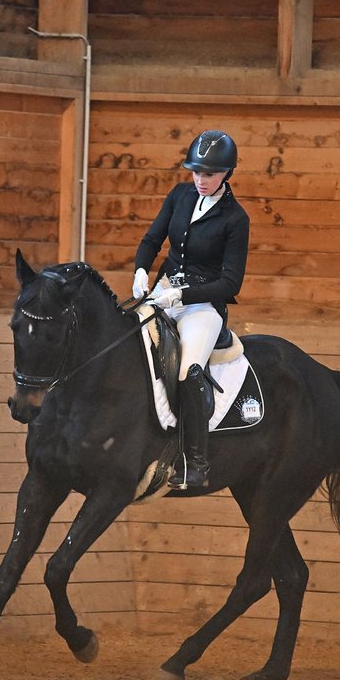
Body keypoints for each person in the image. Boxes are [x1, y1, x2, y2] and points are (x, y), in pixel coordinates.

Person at [132, 129, 250, 489]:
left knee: (188, 370)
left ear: (226, 173)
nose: (200, 180)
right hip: (163, 291)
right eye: (196, 172)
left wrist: (181, 297)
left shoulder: (236, 219)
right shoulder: (180, 195)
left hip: (202, 308)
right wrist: (140, 270)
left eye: (209, 174)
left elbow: (231, 284)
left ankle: (196, 462)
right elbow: (153, 239)